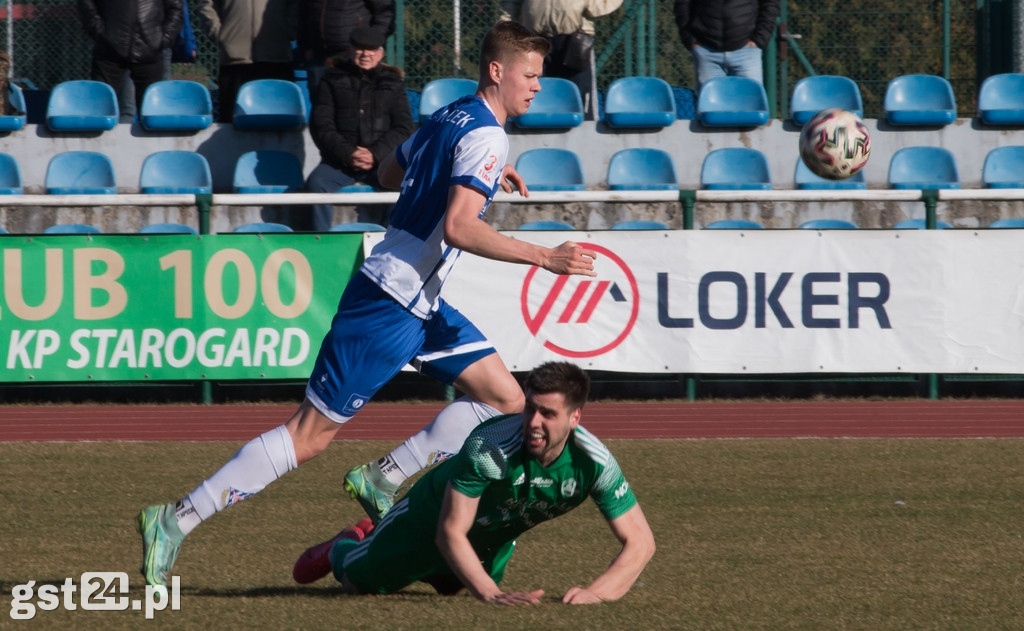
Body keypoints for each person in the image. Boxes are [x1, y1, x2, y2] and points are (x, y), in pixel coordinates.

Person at [136, 20, 598, 588]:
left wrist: (473, 169)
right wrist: (545, 256)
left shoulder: (453, 113)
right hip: (390, 301)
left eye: (540, 78)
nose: (537, 88)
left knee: (506, 398)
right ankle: (173, 519)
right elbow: (457, 228)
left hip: (420, 298)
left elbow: (389, 170)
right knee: (308, 436)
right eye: (530, 76)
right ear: (497, 71)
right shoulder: (486, 135)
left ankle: (384, 477)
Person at [293, 362, 656, 604]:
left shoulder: (594, 462)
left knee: (451, 588)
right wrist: (490, 594)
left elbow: (640, 541)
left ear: (575, 417)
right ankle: (347, 544)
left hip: (493, 536)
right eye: (531, 408)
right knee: (357, 586)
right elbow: (450, 532)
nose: (533, 422)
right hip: (428, 518)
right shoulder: (490, 447)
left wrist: (596, 594)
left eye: (548, 414)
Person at [270, 27, 413, 231]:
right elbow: (322, 126)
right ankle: (321, 242)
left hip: (381, 161)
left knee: (406, 184)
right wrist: (349, 154)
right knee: (316, 184)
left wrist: (375, 154)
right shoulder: (331, 80)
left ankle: (389, 238)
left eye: (372, 49)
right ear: (350, 50)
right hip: (339, 162)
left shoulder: (394, 83)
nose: (366, 54)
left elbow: (404, 127)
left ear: (381, 53)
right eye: (360, 49)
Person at [499, 0, 623, 120]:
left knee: (580, 98)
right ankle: (533, 139)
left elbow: (600, 6)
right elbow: (510, 3)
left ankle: (586, 137)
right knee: (532, 96)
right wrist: (504, 28)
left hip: (575, 40)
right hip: (534, 40)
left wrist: (587, 4)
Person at [196, 0, 299, 122]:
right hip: (234, 59)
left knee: (279, 119)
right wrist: (219, 33)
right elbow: (205, 4)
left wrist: (288, 30)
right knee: (232, 120)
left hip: (275, 56)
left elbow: (296, 5)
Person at [78, 0, 183, 118]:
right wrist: (100, 33)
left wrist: (163, 39)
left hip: (150, 51)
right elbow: (86, 4)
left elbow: (175, 8)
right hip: (109, 52)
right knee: (99, 110)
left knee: (153, 113)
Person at [673, 0, 780, 90]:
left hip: (747, 51)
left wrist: (759, 39)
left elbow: (770, 4)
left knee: (750, 107)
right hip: (706, 51)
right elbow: (682, 4)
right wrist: (691, 40)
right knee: (710, 110)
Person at [298, 0, 395, 98]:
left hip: (353, 55)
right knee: (319, 100)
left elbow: (385, 15)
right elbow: (301, 14)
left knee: (355, 101)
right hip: (318, 54)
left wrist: (369, 43)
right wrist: (305, 46)